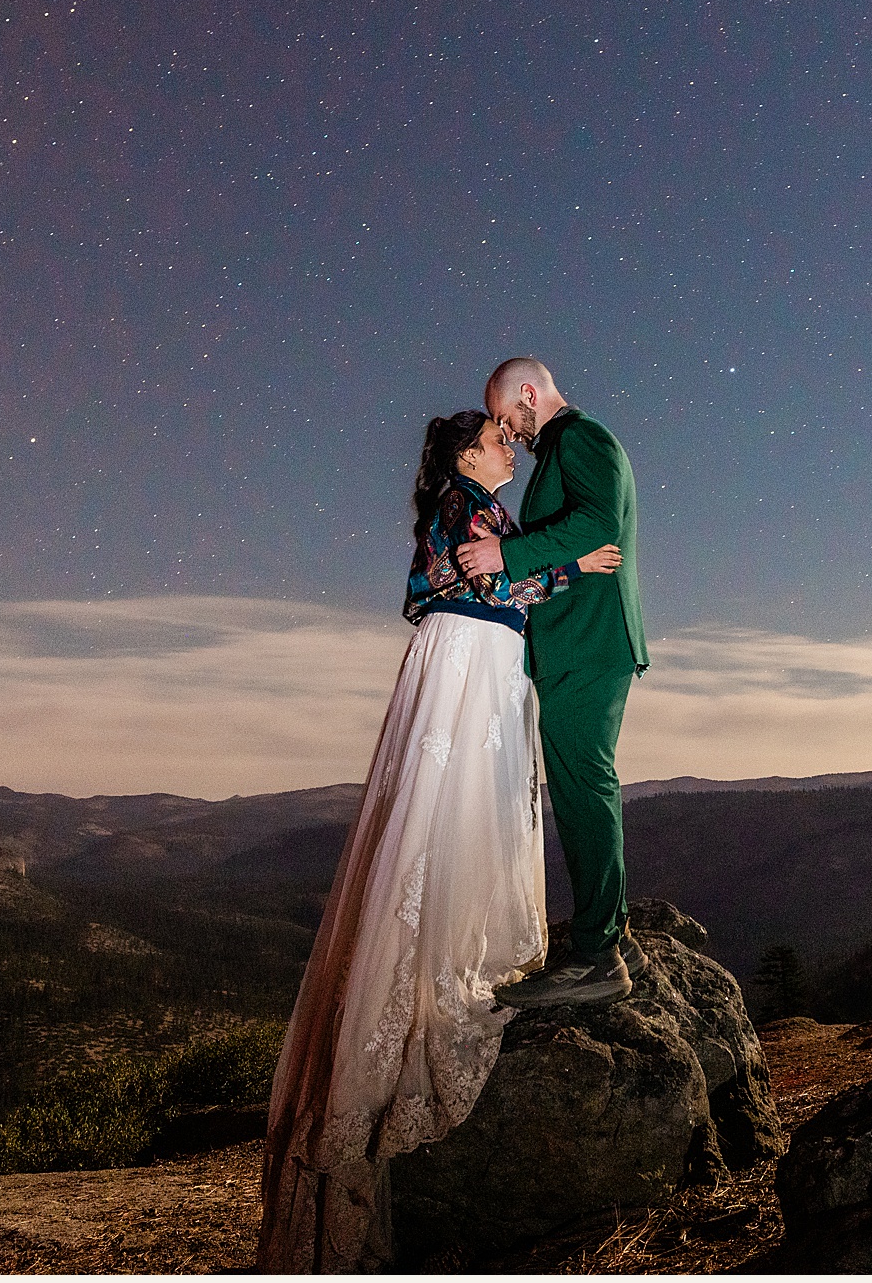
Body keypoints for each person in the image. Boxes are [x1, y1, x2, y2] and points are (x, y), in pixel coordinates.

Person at [258, 409, 621, 1274]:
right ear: (467, 452)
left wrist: (553, 566)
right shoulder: (465, 509)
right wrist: (572, 562)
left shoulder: (478, 508)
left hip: (480, 662)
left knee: (471, 805)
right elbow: (489, 587)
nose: (512, 446)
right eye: (500, 437)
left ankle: (461, 948)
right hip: (468, 661)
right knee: (451, 805)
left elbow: (498, 580)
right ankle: (434, 973)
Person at [453, 357, 648, 1010]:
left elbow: (599, 524)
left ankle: (599, 957)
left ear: (529, 394)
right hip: (579, 642)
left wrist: (506, 554)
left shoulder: (583, 438)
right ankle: (611, 931)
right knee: (585, 785)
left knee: (583, 788)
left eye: (508, 414)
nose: (508, 430)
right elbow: (581, 536)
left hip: (588, 643)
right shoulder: (565, 447)